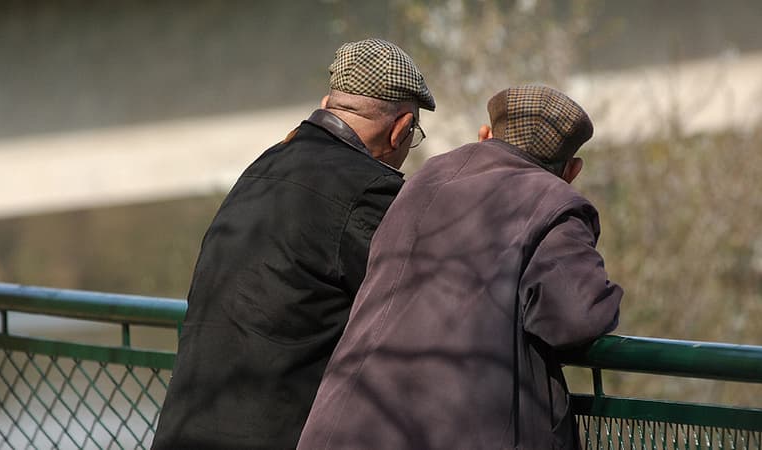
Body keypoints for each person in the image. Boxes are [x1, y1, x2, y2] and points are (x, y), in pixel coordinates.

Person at [297, 85, 623, 450]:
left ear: (484, 136)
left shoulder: (424, 179)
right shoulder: (557, 202)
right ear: (572, 170)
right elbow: (574, 320)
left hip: (346, 426)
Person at [151, 38, 435, 450]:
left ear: (326, 103)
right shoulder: (369, 191)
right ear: (401, 129)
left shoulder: (263, 167)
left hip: (187, 427)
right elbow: (422, 309)